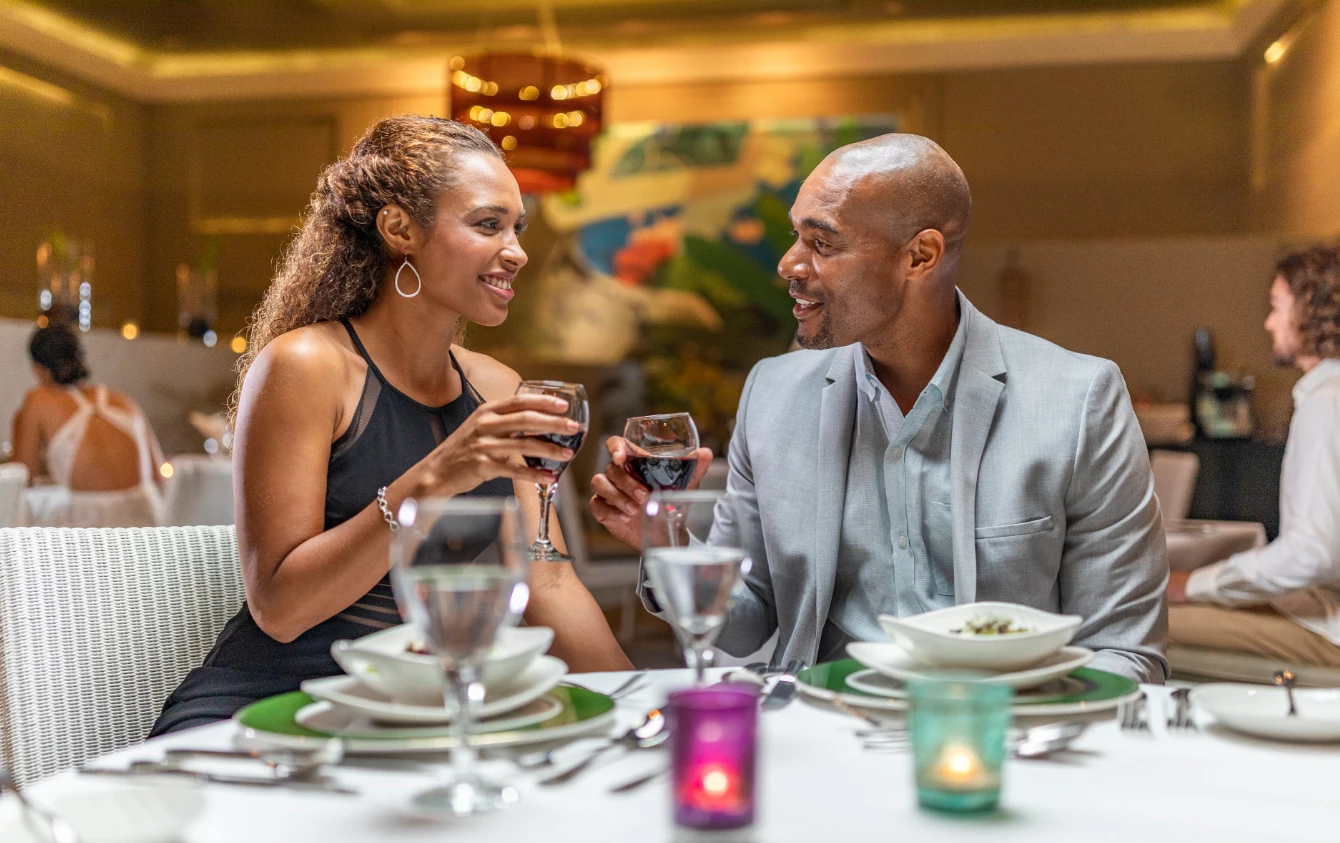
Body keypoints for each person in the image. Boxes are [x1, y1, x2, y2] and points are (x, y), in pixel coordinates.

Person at [590, 133, 1168, 683]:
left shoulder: (1078, 398)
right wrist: (665, 543)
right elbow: (746, 623)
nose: (789, 264)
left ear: (920, 256)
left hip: (994, 733)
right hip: (820, 731)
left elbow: (1122, 652)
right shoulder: (772, 394)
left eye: (822, 243)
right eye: (796, 237)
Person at [152, 116, 632, 735]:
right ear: (400, 229)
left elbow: (550, 581)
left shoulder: (497, 385)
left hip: (410, 714)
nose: (516, 250)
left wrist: (646, 701)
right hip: (272, 712)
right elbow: (278, 608)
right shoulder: (307, 366)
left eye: (517, 227)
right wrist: (437, 477)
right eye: (488, 224)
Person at [1167, 247, 1340, 665]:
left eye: (1277, 306)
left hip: (1331, 633)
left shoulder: (1326, 403)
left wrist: (1191, 585)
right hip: (1318, 608)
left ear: (1311, 311)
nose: (1269, 322)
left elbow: (1314, 554)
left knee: (1138, 621)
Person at [11, 325, 166, 527]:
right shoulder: (122, 400)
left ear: (39, 370)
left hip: (93, 531)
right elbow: (159, 477)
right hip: (150, 521)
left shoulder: (38, 400)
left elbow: (20, 479)